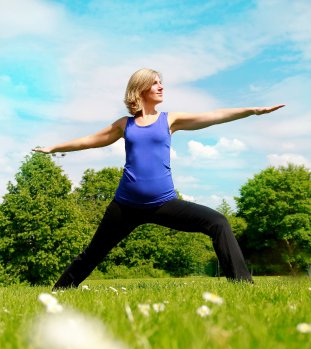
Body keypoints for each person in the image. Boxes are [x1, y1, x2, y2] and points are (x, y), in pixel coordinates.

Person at [33, 68, 285, 289]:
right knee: (94, 252)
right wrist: (54, 148)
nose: (161, 86)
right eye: (155, 83)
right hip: (125, 205)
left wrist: (252, 110)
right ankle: (60, 291)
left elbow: (214, 115)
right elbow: (89, 140)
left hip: (163, 203)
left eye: (160, 82)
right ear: (140, 88)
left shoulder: (170, 120)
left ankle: (241, 284)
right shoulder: (125, 124)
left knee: (218, 222)